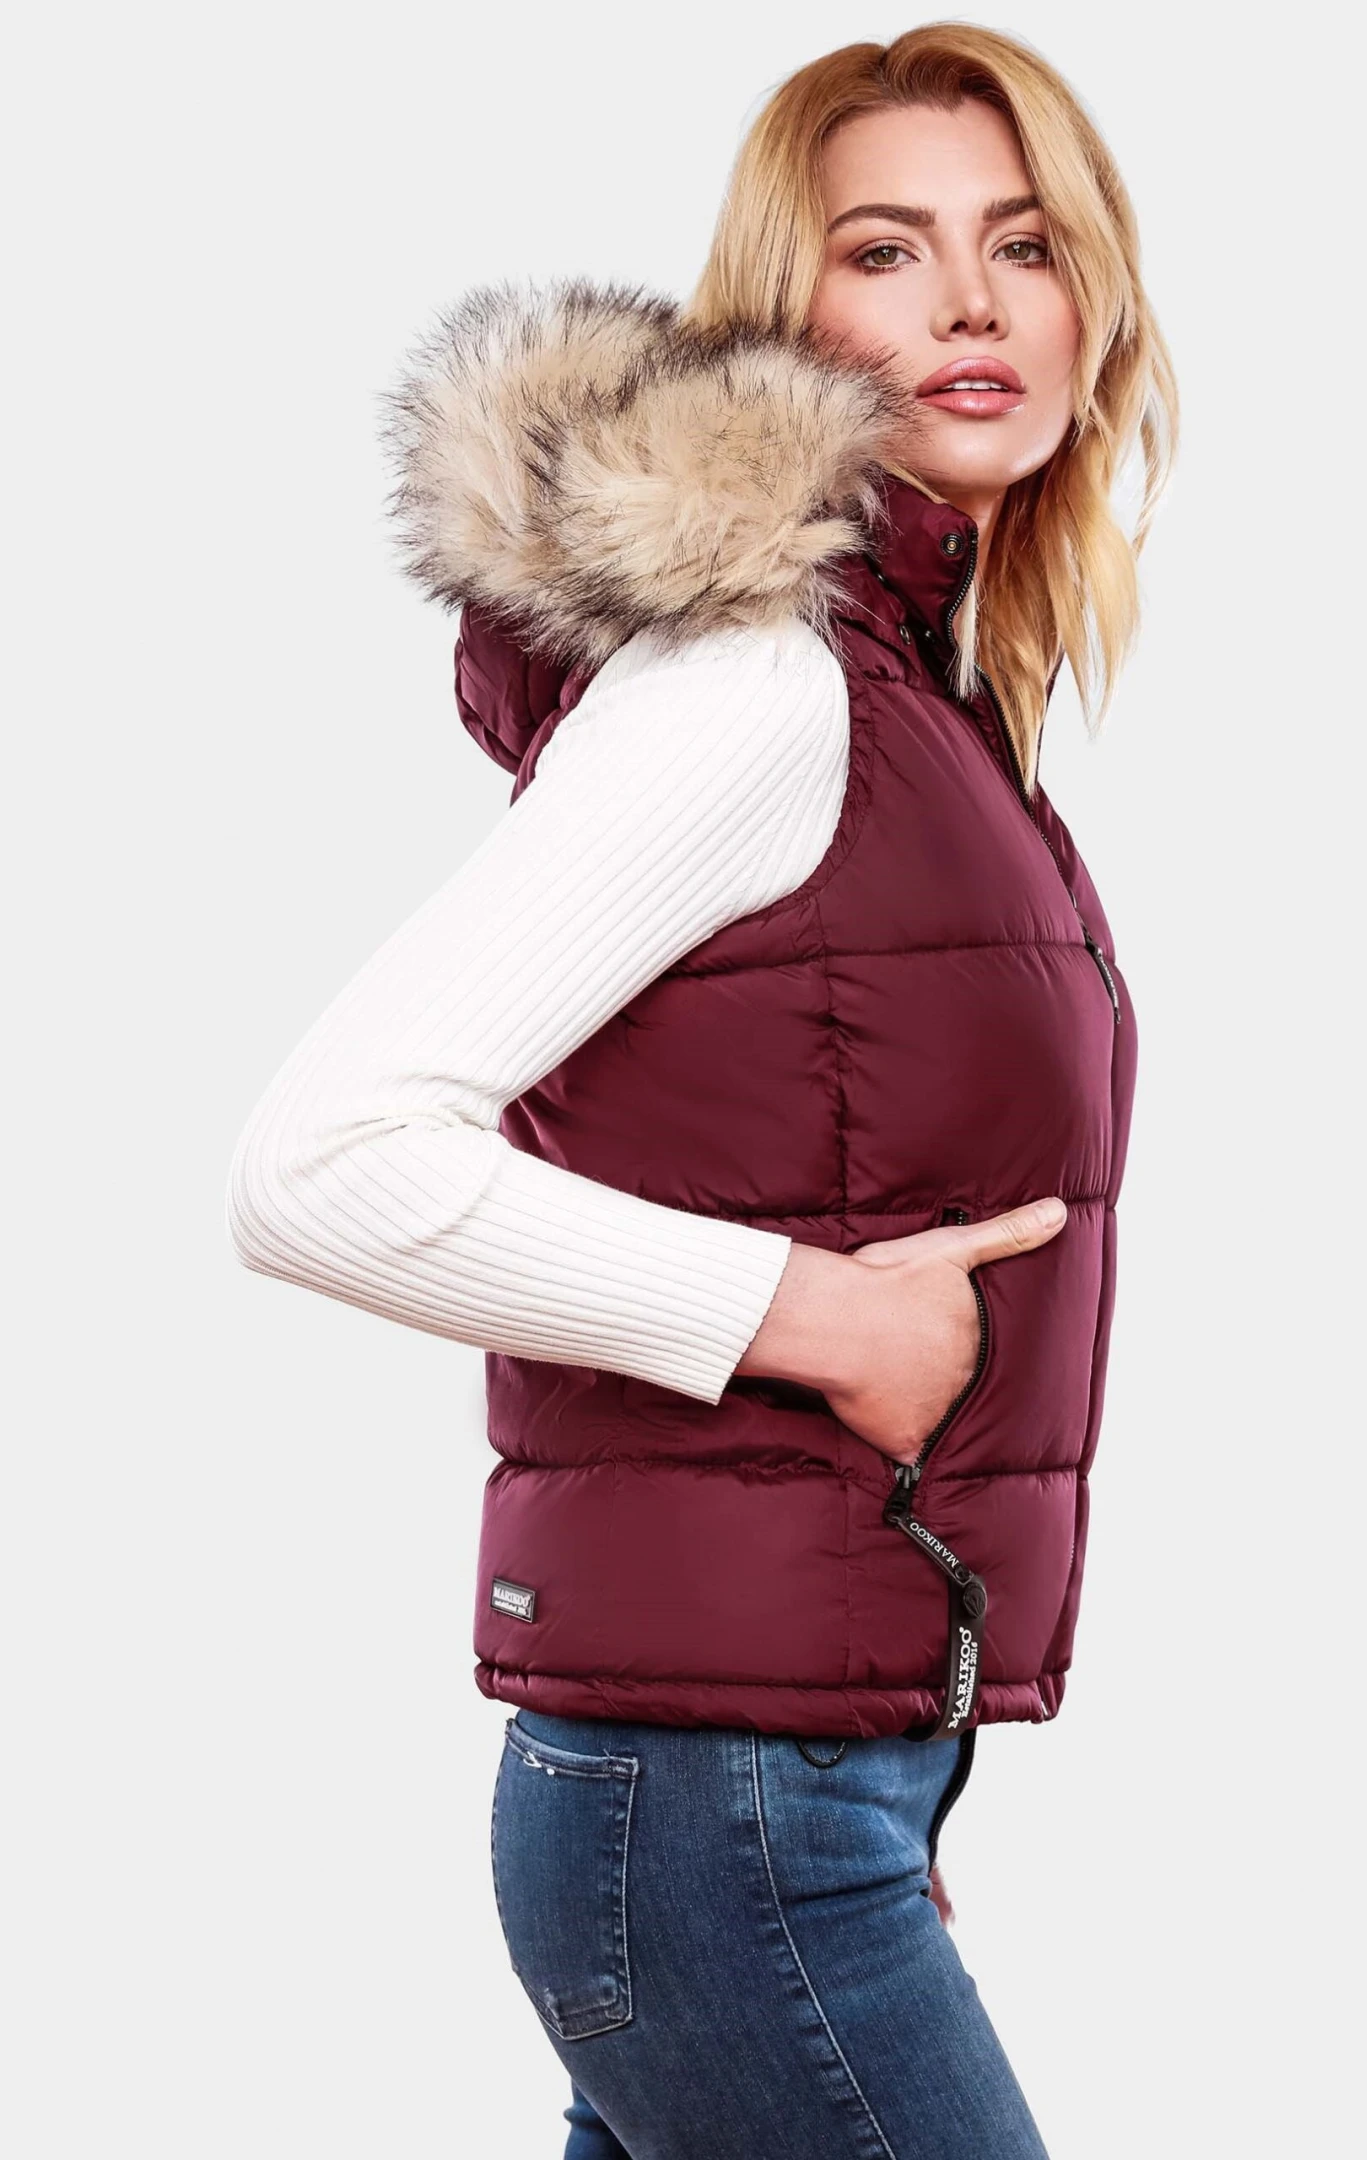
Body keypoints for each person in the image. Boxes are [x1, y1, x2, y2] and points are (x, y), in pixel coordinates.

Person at [226, 22, 1176, 2158]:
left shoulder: (920, 702)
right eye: (886, 249)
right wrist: (816, 1316)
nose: (968, 303)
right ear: (784, 311)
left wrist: (889, 1772)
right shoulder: (763, 683)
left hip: (780, 1785)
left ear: (1094, 305)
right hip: (721, 1802)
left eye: (1025, 244)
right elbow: (320, 1163)